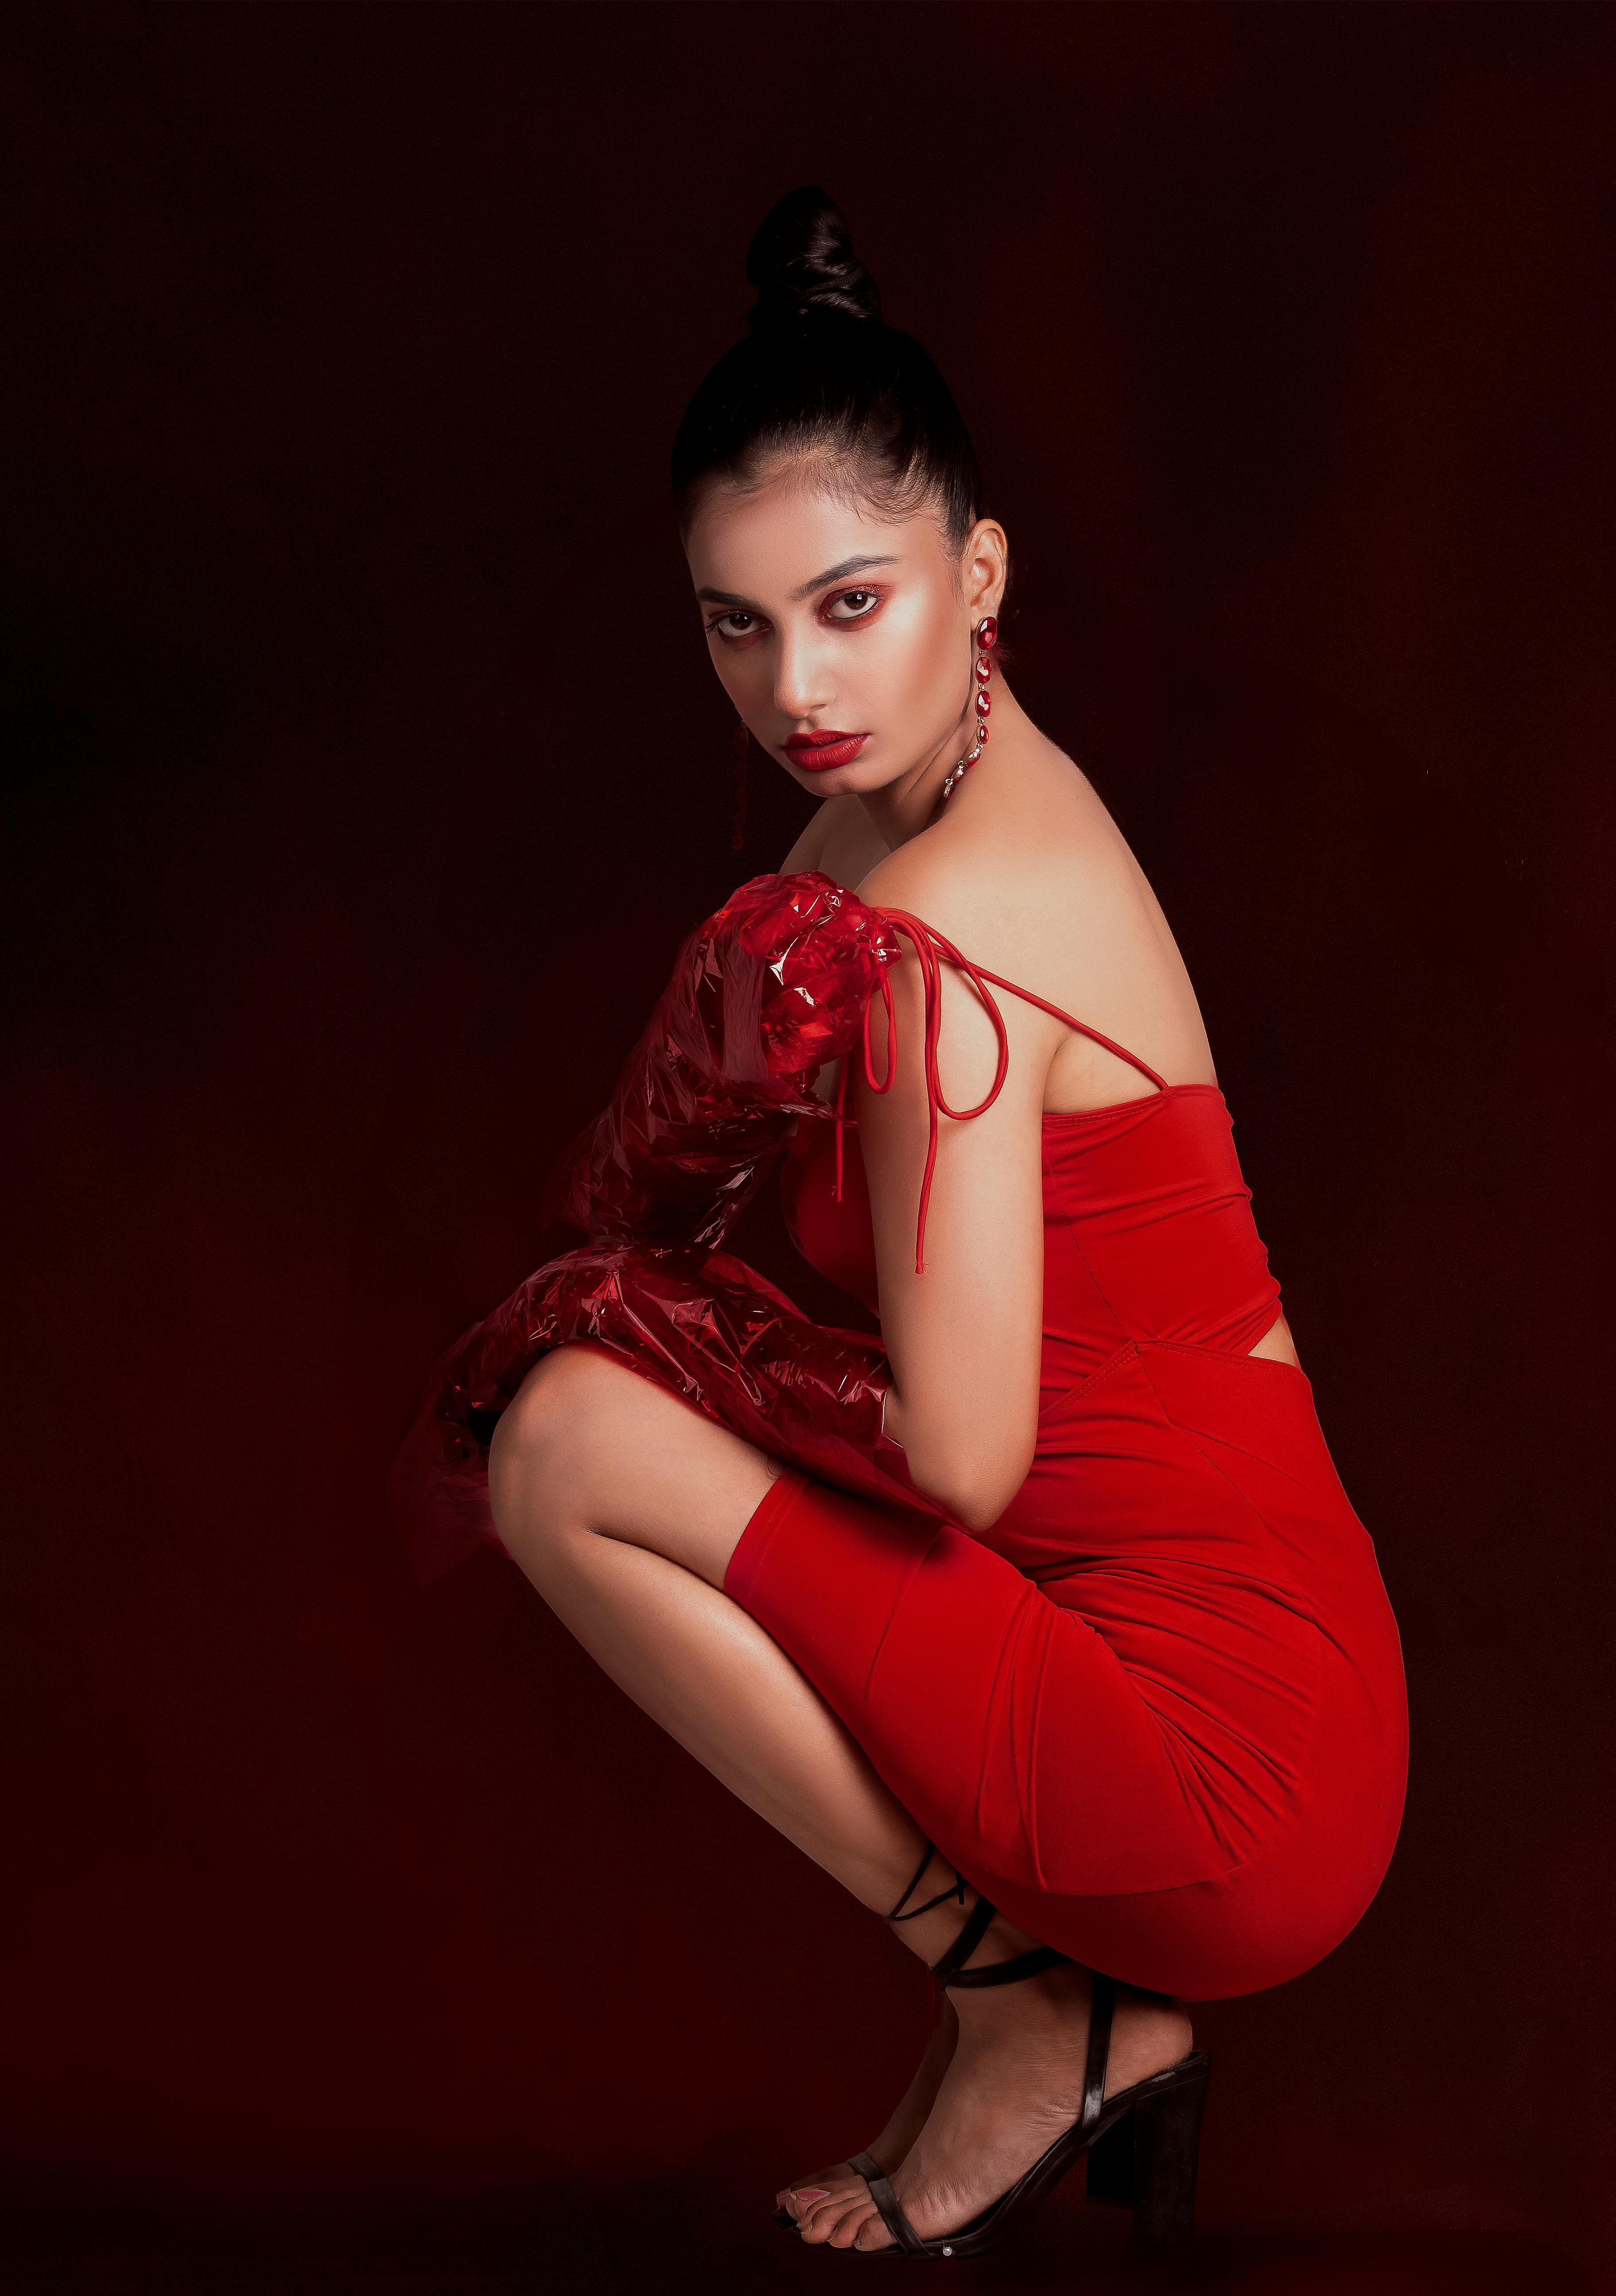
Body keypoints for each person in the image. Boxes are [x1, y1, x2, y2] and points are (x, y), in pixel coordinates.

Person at [390, 186, 1408, 2261]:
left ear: (982, 569)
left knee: (574, 1437)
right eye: (733, 625)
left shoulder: (938, 931)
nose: (794, 690)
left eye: (851, 607)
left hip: (1227, 1759)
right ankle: (1046, 2004)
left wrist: (656, 1349)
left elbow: (963, 1461)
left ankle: (1030, 2002)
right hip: (1172, 1645)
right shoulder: (910, 807)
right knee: (587, 1402)